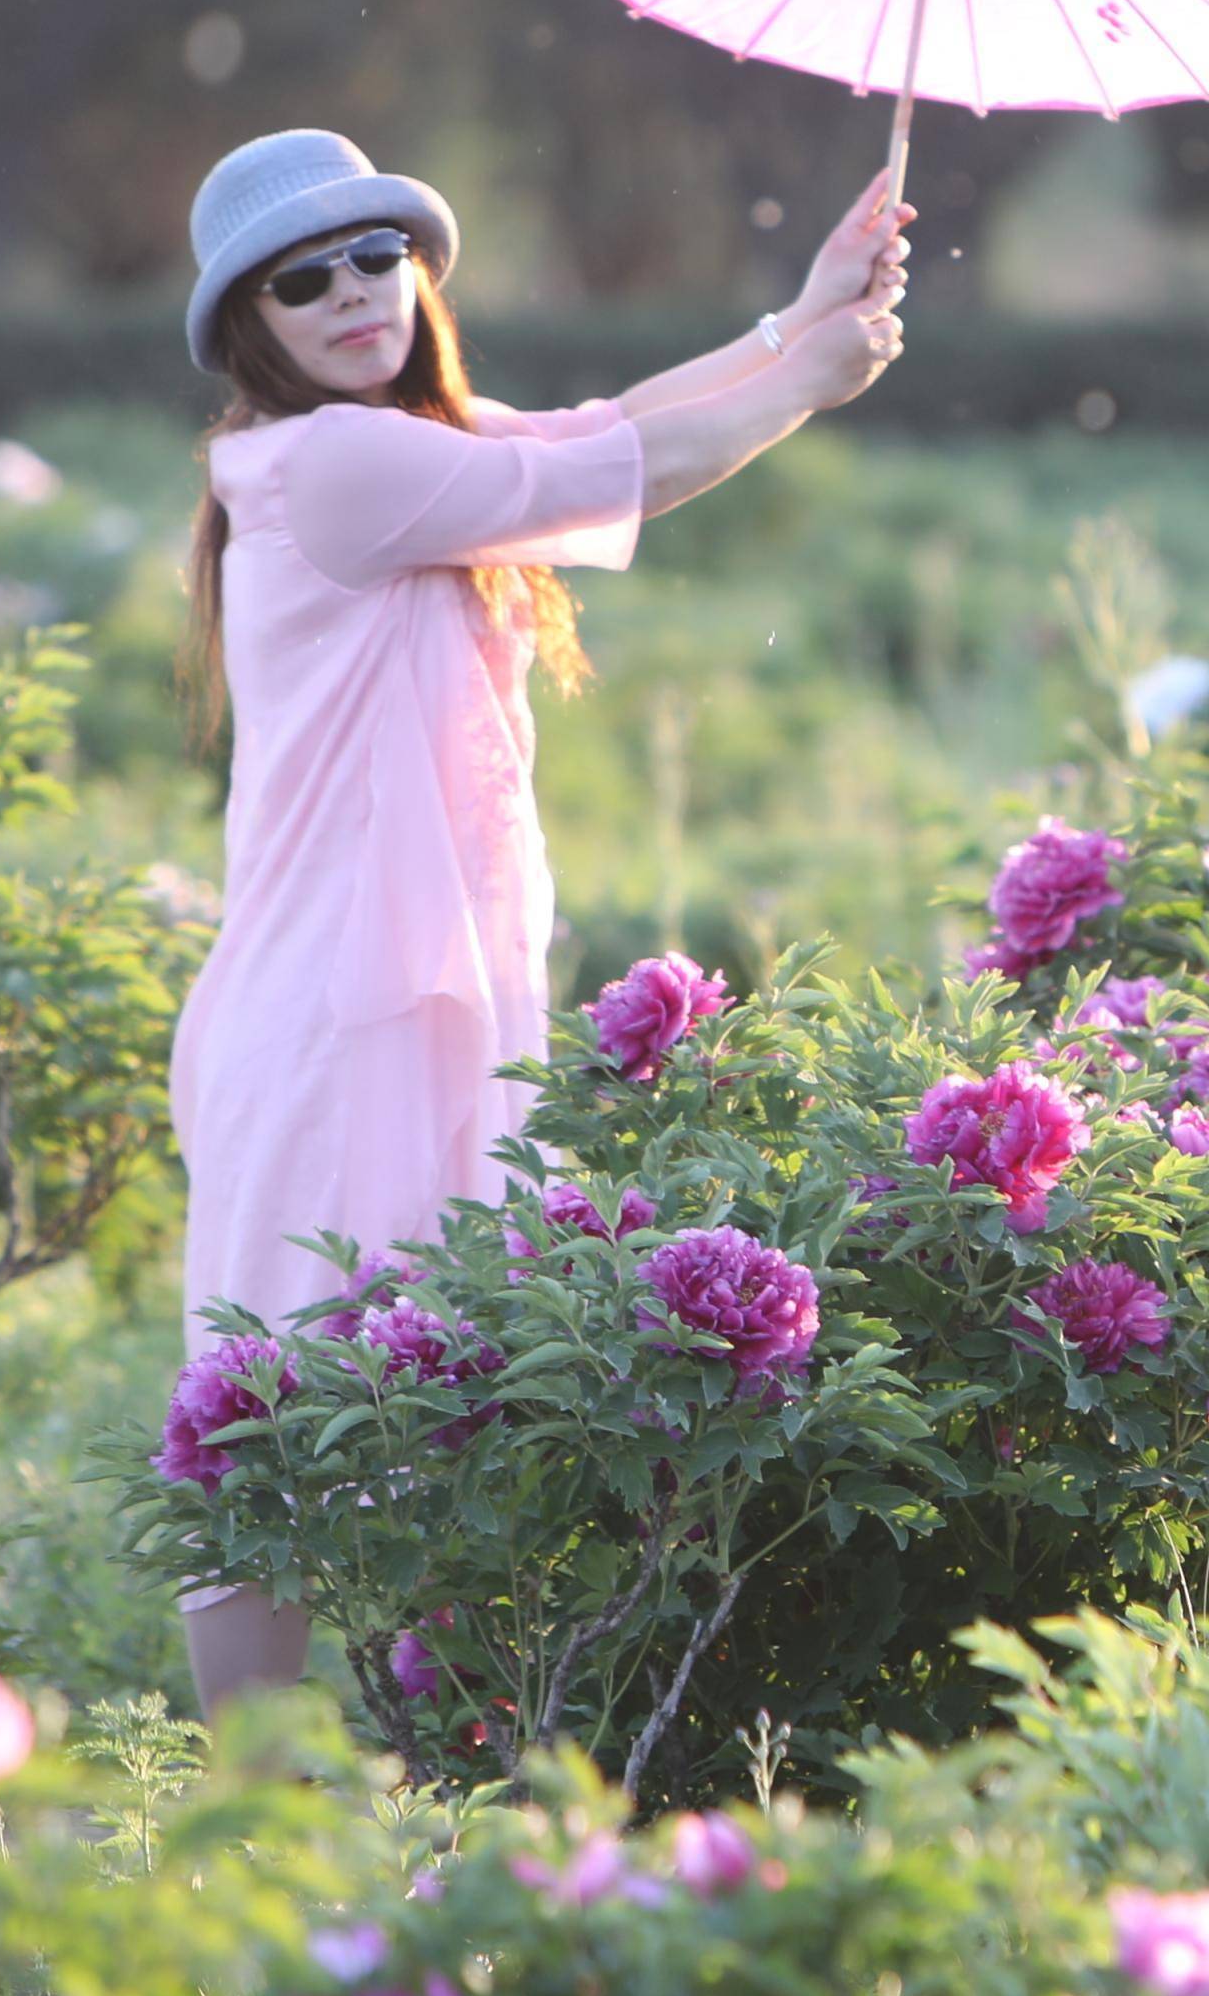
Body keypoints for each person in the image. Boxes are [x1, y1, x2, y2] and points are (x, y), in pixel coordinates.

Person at [166, 127, 908, 1709]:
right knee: (292, 1408)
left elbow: (599, 422)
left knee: (430, 1390)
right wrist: (812, 388)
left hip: (412, 997)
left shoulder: (395, 440)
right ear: (254, 324)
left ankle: (413, 1798)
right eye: (306, 280)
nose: (355, 293)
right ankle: (232, 1836)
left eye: (377, 254)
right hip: (338, 1011)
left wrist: (795, 316)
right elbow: (605, 475)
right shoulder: (332, 462)